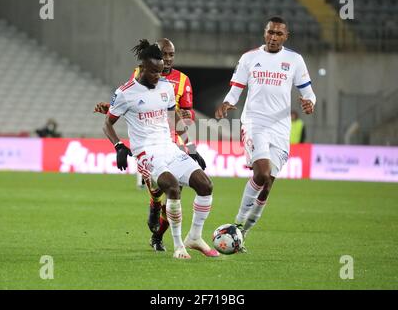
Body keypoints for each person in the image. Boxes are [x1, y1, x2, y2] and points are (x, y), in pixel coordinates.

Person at [103, 39, 219, 259]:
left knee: (205, 185)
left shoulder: (166, 87)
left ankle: (194, 237)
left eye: (161, 71)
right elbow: (107, 123)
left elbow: (175, 117)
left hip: (169, 148)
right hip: (146, 153)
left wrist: (191, 148)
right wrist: (118, 145)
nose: (159, 76)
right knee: (172, 188)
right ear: (143, 68)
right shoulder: (125, 93)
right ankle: (178, 246)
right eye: (155, 72)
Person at [215, 16, 316, 252]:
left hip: (281, 128)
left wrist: (310, 103)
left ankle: (243, 234)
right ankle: (237, 224)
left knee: (268, 183)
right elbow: (236, 89)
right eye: (270, 32)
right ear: (264, 33)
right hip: (254, 122)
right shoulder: (250, 58)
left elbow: (309, 93)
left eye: (279, 34)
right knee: (262, 172)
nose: (273, 37)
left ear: (286, 36)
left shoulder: (294, 60)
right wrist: (226, 104)